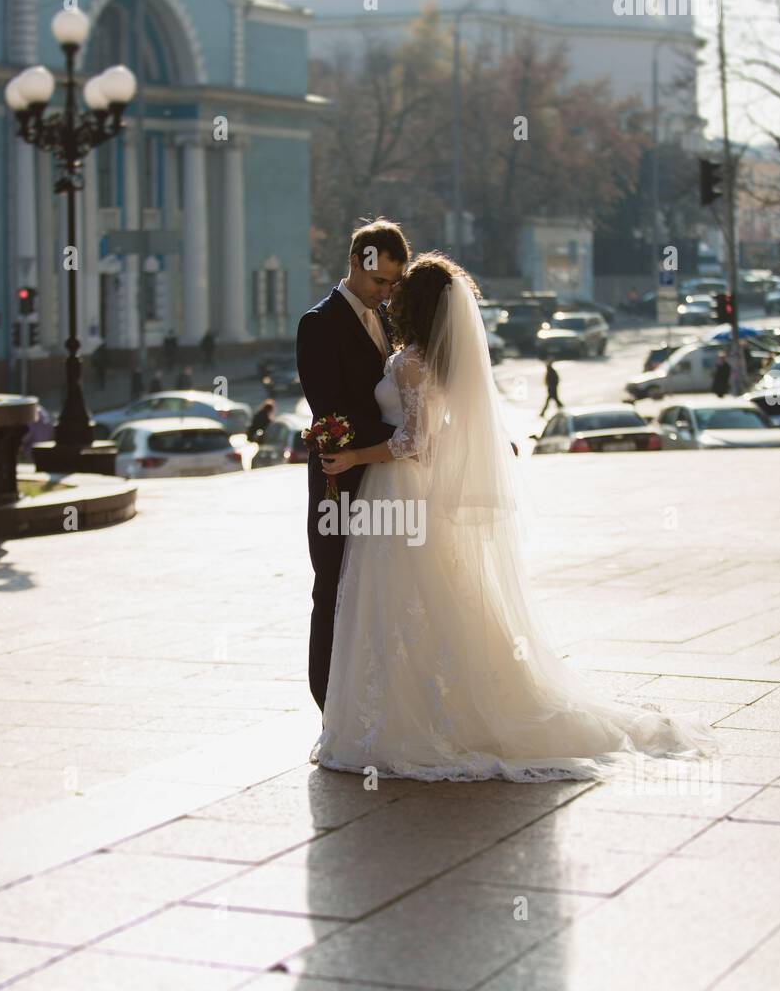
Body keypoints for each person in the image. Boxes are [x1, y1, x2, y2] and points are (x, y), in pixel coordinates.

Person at [313, 253, 718, 783]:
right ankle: (422, 713)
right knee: (426, 601)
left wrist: (353, 457)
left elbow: (414, 441)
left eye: (401, 291)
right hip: (413, 493)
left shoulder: (412, 362)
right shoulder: (435, 361)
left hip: (402, 489)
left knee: (399, 602)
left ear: (416, 306)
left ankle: (404, 722)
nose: (392, 296)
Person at [297, 217, 410, 711]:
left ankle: (370, 700)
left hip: (386, 476)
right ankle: (328, 704)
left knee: (376, 591)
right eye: (378, 280)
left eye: (392, 284)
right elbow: (332, 410)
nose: (385, 293)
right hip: (339, 480)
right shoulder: (318, 324)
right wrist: (406, 439)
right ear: (354, 263)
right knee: (334, 586)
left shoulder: (385, 318)